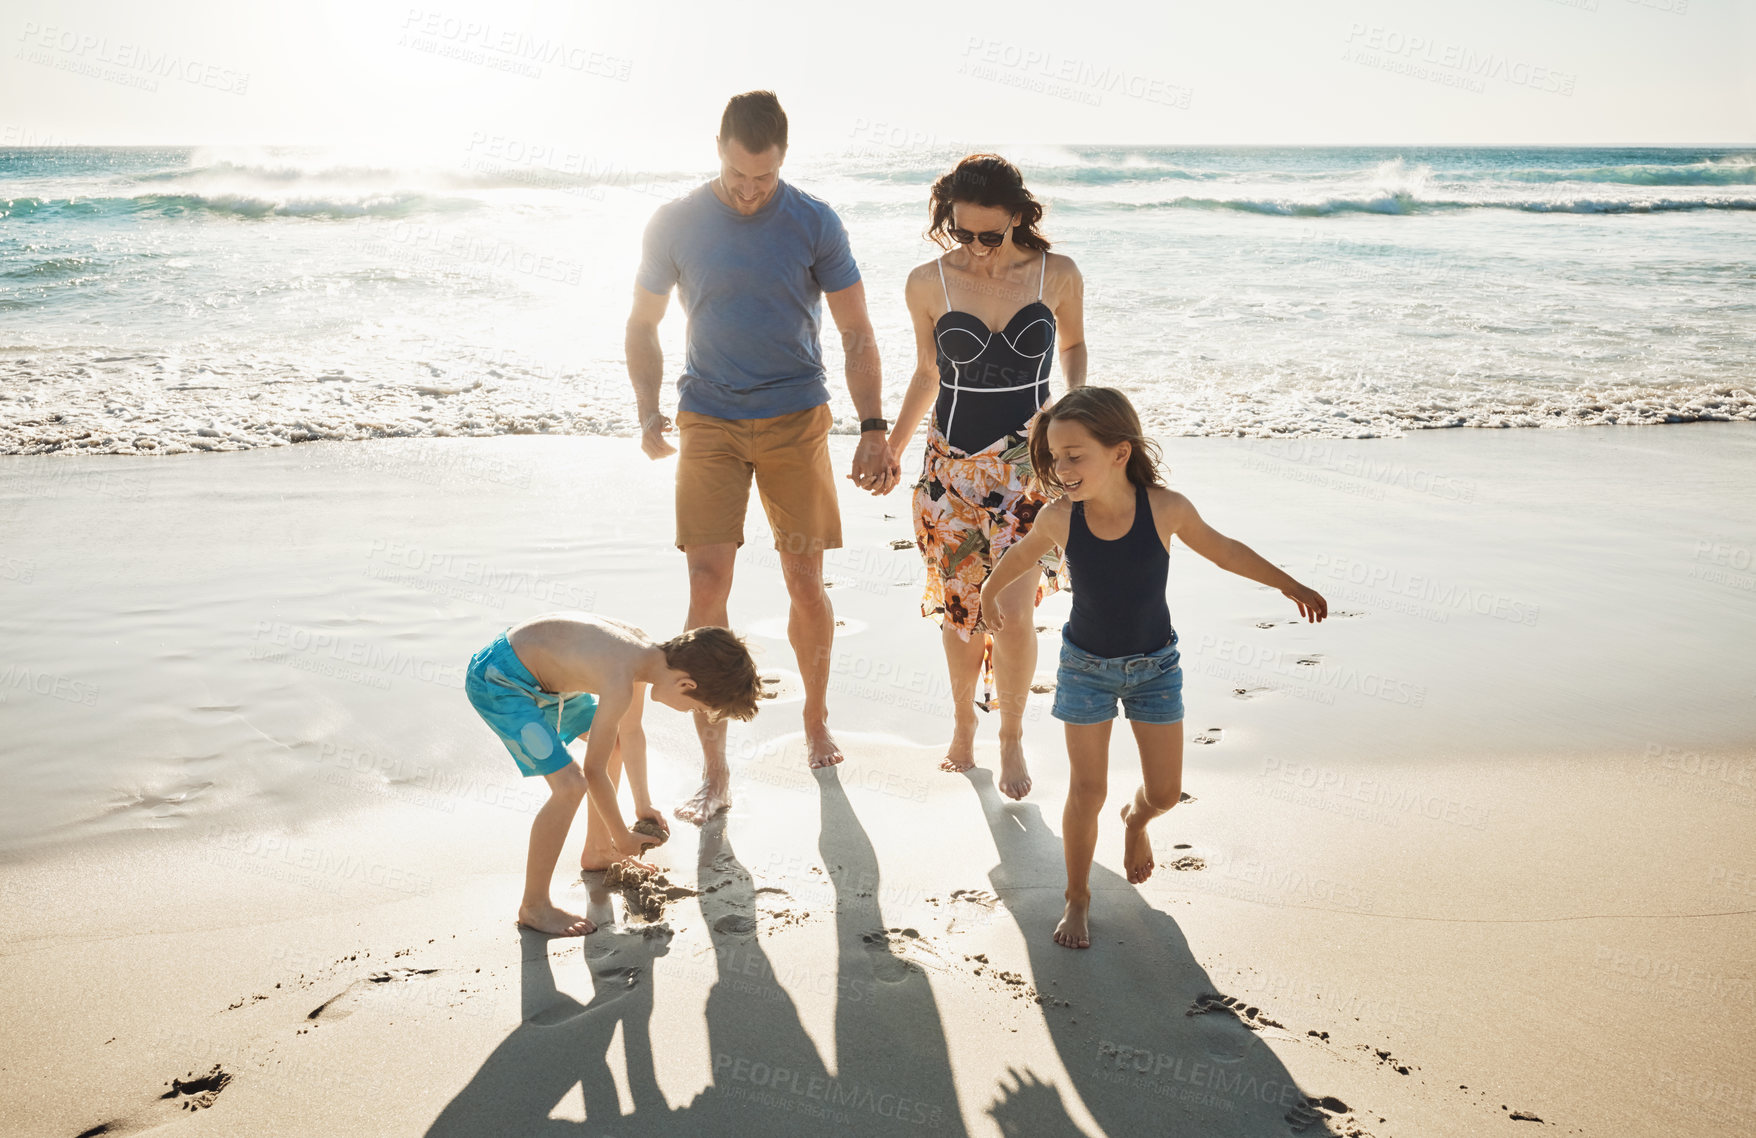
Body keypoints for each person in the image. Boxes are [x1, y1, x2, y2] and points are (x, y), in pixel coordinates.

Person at [627, 90, 898, 825]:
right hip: (708, 418)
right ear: (718, 148)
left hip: (795, 419)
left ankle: (814, 717)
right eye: (740, 177)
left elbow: (857, 332)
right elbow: (644, 323)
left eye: (765, 179)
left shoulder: (814, 220)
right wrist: (649, 409)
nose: (751, 193)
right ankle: (715, 768)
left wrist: (874, 425)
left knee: (804, 577)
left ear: (782, 160)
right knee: (707, 583)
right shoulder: (677, 221)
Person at [979, 387, 1329, 949]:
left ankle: (1136, 822)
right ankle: (1077, 897)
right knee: (1086, 791)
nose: (1061, 469)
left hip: (1155, 669)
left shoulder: (1165, 508)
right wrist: (991, 591)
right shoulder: (1060, 517)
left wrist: (1288, 584)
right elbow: (1021, 554)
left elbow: (1225, 549)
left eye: (1075, 456)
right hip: (1085, 668)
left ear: (1119, 452)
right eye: (1053, 458)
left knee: (1165, 794)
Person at [886, 154, 1086, 801]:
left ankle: (1010, 735)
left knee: (1012, 610)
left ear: (1018, 219)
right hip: (951, 474)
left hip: (1028, 470)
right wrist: (891, 449)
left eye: (989, 235)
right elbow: (926, 374)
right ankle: (962, 722)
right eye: (962, 232)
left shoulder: (1058, 275)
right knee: (961, 612)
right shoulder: (928, 283)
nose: (974, 246)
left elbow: (1075, 348)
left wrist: (1073, 415)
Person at [463, 614, 762, 936]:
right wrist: (623, 835)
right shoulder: (620, 678)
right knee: (570, 785)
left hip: (546, 682)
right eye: (697, 708)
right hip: (500, 682)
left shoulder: (644, 654)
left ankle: (598, 849)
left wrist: (642, 806)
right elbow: (593, 770)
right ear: (686, 684)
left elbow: (630, 732)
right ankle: (534, 905)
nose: (694, 713)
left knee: (614, 744)